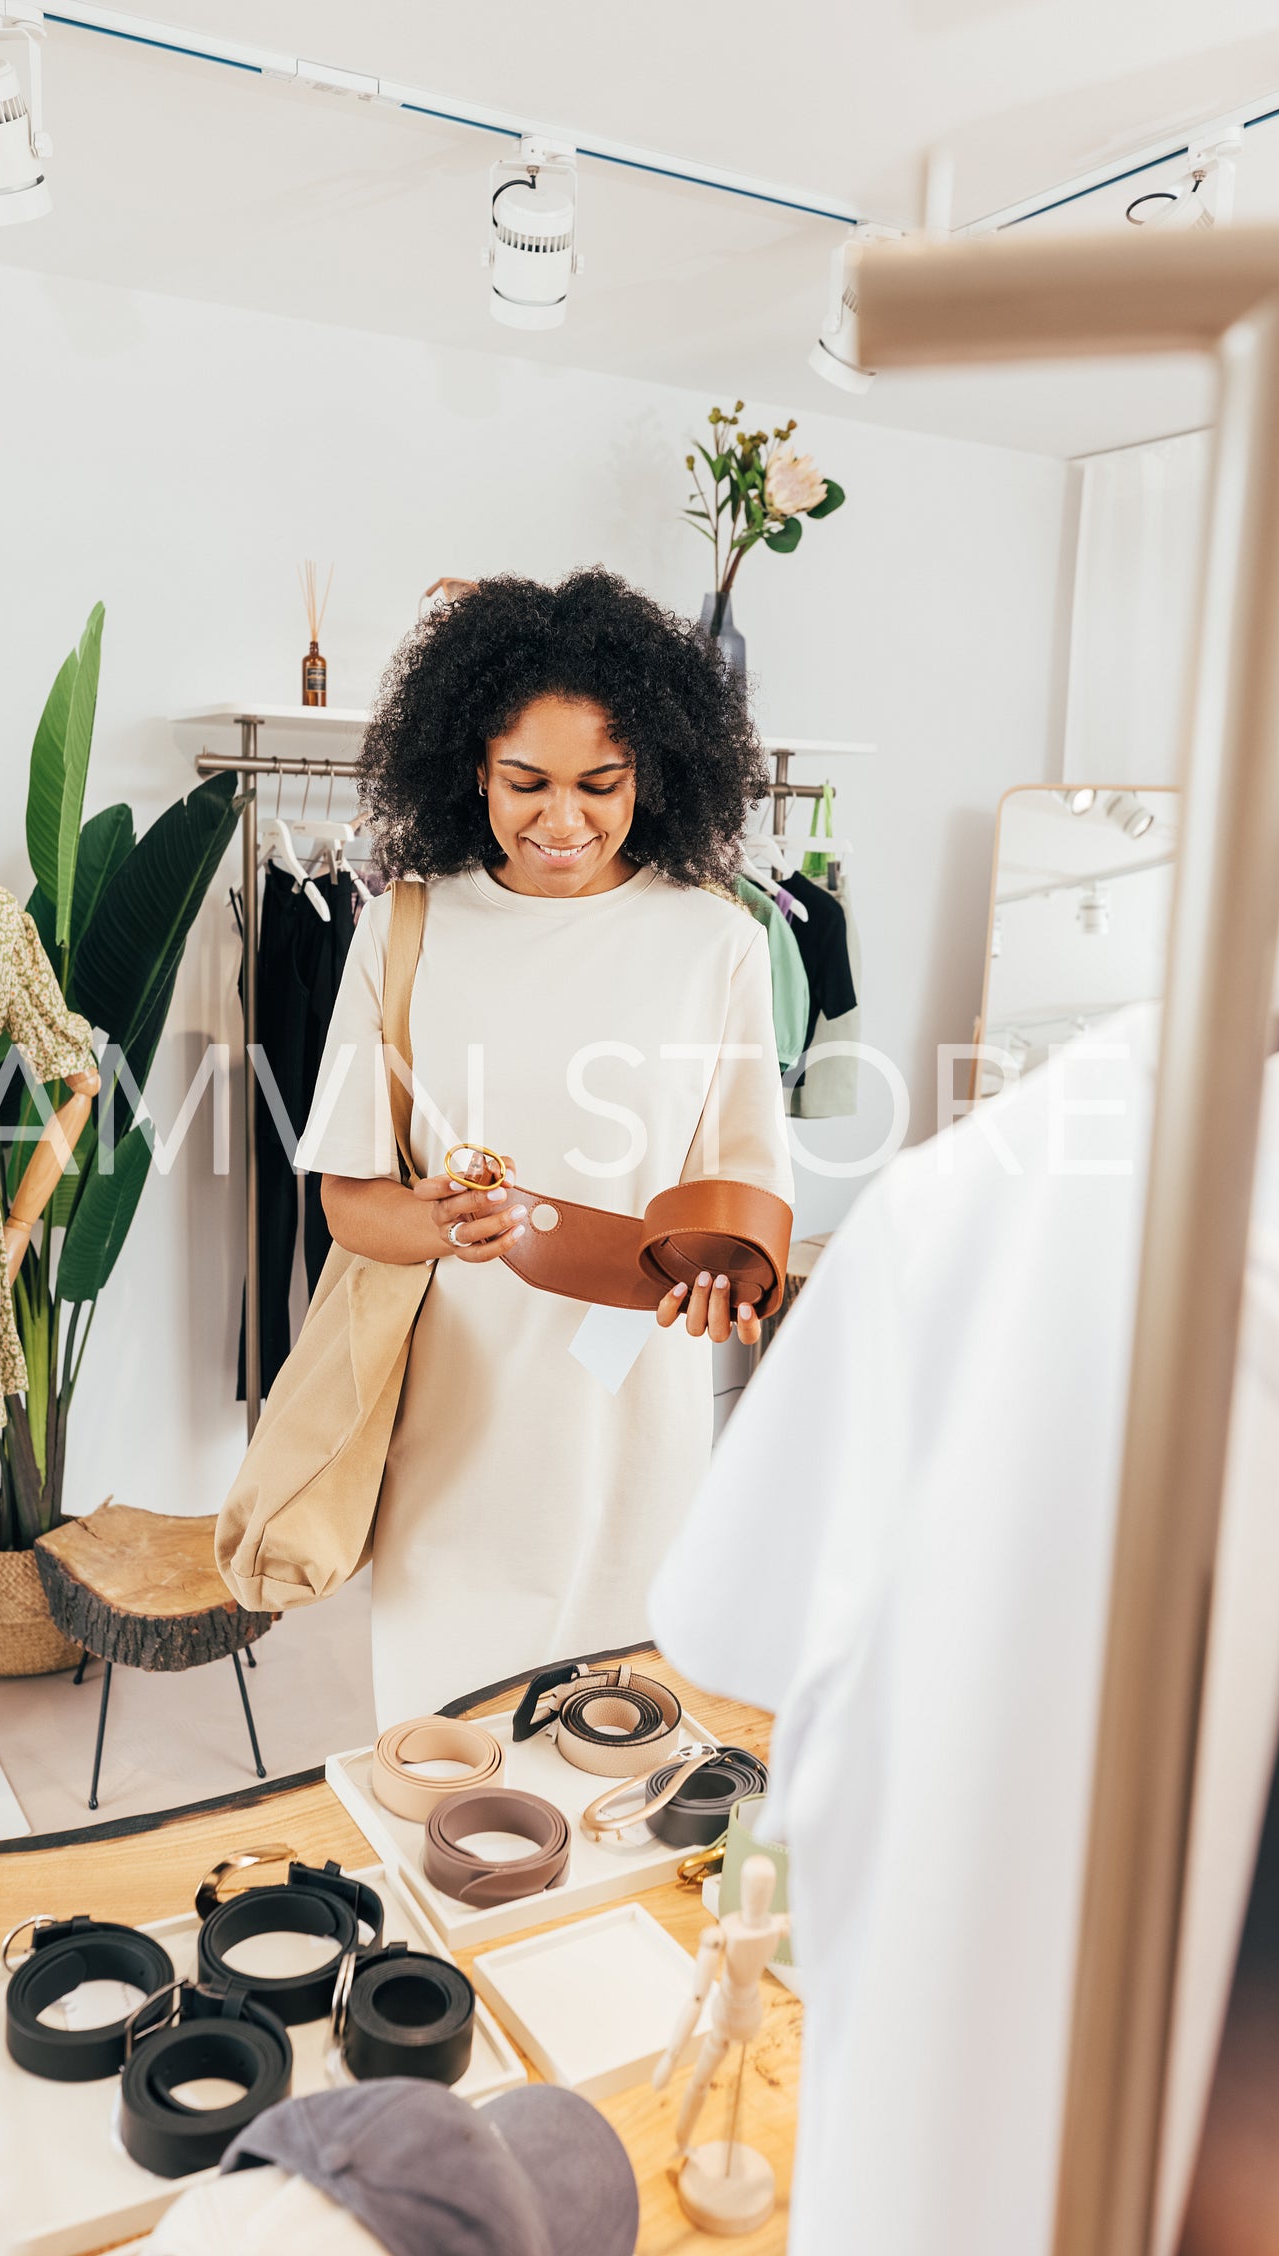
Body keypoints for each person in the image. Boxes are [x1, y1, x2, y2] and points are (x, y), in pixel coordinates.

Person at [298, 567, 793, 1723]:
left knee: (623, 1746)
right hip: (455, 1418)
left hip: (636, 1417)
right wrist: (443, 1221)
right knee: (443, 1748)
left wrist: (728, 1282)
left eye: (598, 785)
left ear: (650, 776)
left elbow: (747, 1179)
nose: (559, 820)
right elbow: (346, 1199)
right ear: (472, 767)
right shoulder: (404, 926)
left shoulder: (712, 940)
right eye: (525, 782)